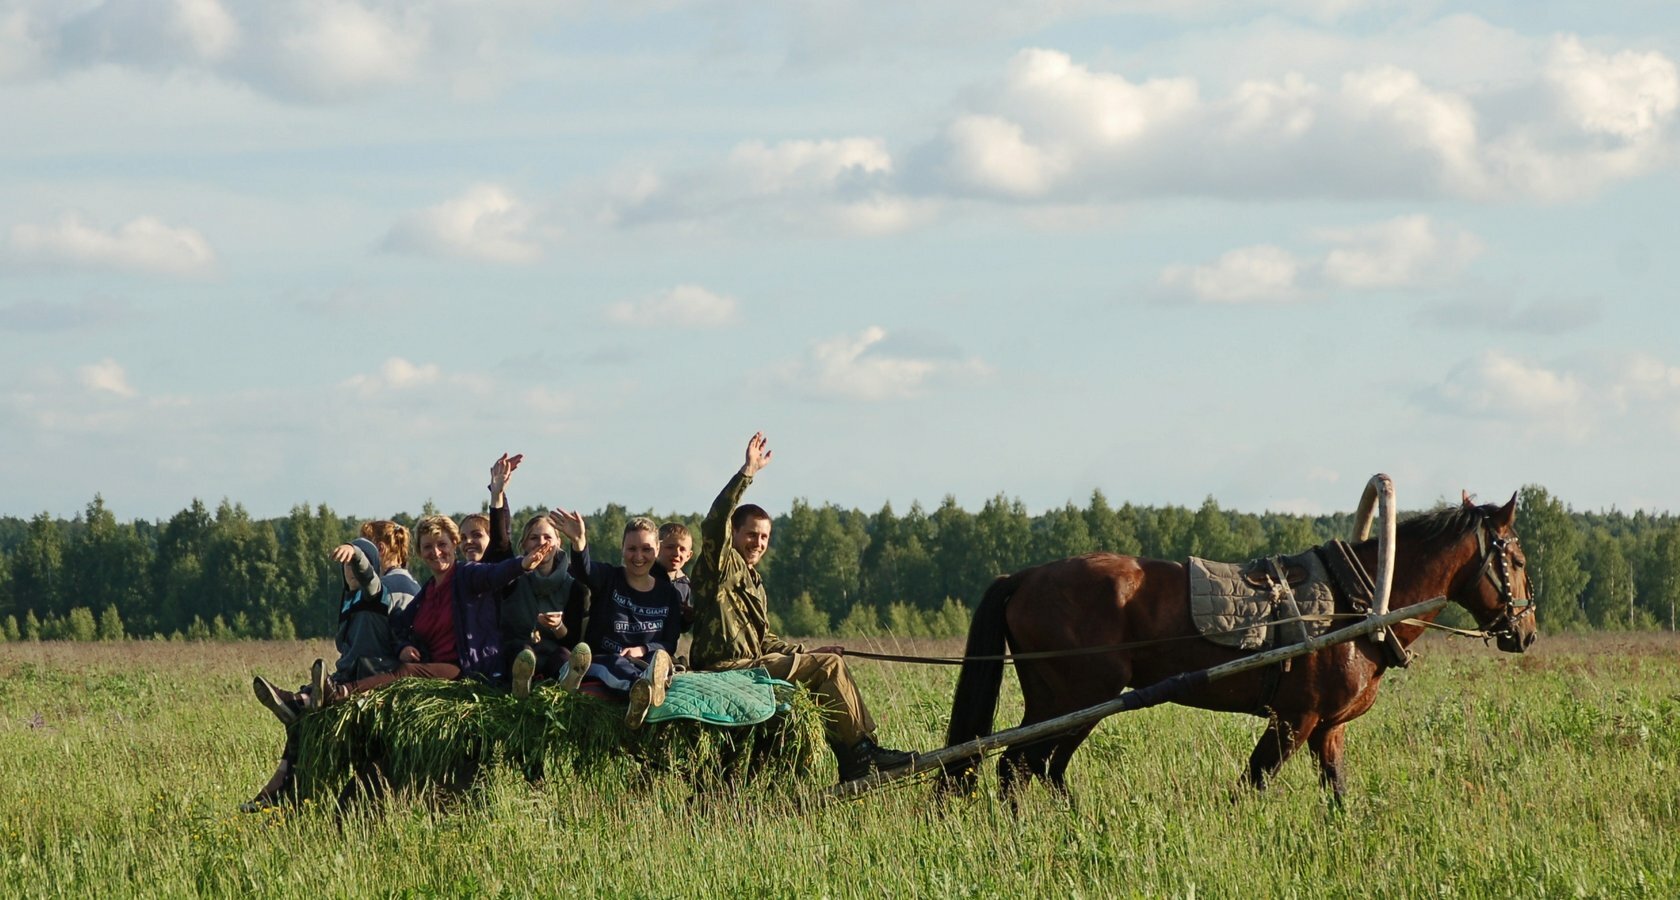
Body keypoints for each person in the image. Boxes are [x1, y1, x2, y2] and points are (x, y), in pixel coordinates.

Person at [689, 432, 912, 783]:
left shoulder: (754, 582)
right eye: (751, 534)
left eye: (764, 537)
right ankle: (861, 755)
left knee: (829, 662)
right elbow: (713, 522)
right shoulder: (719, 567)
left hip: (753, 663)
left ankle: (859, 752)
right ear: (733, 534)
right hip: (726, 669)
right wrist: (747, 473)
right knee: (827, 666)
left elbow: (766, 641)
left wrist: (808, 653)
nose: (758, 543)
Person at [551, 511, 682, 728]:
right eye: (632, 549)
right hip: (604, 659)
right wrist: (579, 542)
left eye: (646, 549)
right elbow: (585, 570)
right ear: (622, 549)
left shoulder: (668, 594)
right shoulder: (609, 577)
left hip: (644, 661)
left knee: (657, 659)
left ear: (657, 550)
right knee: (610, 663)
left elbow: (670, 643)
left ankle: (644, 688)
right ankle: (640, 690)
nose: (638, 556)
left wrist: (642, 648)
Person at [501, 513, 592, 698]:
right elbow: (499, 544)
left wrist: (558, 626)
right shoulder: (512, 577)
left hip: (552, 651)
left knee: (562, 655)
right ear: (524, 544)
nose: (541, 542)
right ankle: (521, 684)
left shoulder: (574, 587)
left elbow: (572, 640)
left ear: (558, 542)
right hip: (519, 649)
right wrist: (498, 498)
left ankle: (567, 680)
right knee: (523, 654)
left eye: (547, 537)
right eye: (534, 538)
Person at [657, 521, 696, 629]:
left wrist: (688, 619)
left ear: (689, 555)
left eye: (682, 549)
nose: (676, 553)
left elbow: (682, 628)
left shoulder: (685, 585)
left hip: (667, 644)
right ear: (657, 548)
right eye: (670, 547)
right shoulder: (646, 577)